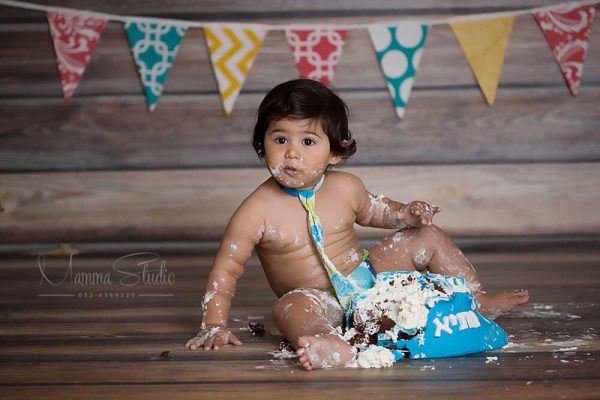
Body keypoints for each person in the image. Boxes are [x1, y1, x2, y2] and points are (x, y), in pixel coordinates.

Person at [185, 79, 529, 370]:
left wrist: (406, 213)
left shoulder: (346, 187)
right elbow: (226, 270)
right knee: (287, 308)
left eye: (308, 141)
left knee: (426, 235)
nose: (292, 153)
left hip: (370, 277)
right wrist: (214, 324)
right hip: (319, 300)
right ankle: (329, 344)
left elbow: (376, 211)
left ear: (335, 152)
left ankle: (474, 300)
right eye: (280, 140)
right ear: (262, 144)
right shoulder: (255, 211)